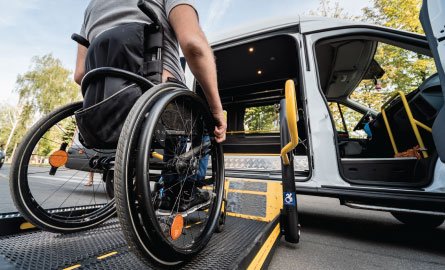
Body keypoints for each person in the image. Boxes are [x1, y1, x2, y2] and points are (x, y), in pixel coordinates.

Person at [74, 0, 226, 211]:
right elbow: (193, 45)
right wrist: (216, 109)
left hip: (107, 104)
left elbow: (80, 74)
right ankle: (183, 192)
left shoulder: (92, 7)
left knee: (175, 117)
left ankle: (169, 186)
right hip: (157, 93)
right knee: (205, 125)